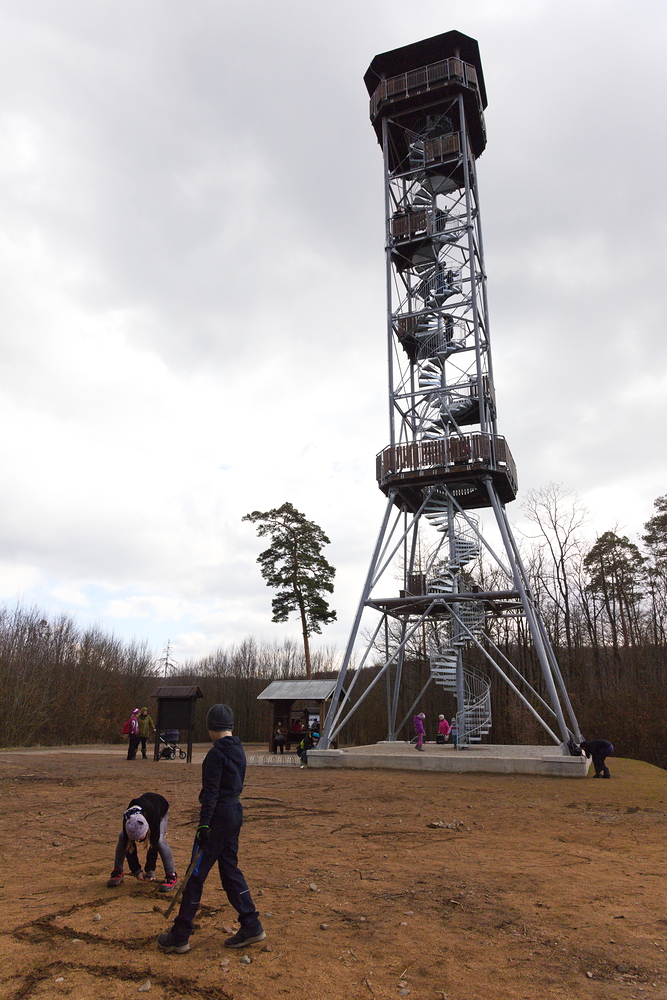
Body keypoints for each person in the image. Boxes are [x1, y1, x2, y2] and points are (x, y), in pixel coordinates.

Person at [157, 703, 265, 954]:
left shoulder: (216, 754)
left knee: (195, 873)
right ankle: (251, 924)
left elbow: (212, 794)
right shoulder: (239, 749)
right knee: (229, 870)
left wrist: (204, 824)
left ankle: (180, 934)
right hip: (234, 813)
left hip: (217, 817)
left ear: (211, 728)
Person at [107, 792, 178, 891]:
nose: (138, 841)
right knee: (122, 837)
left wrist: (150, 870)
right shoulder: (127, 819)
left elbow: (153, 845)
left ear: (147, 830)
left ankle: (171, 876)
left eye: (141, 838)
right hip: (145, 809)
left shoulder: (152, 819)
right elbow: (129, 847)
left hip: (160, 809)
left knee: (160, 841)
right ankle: (117, 871)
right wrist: (136, 871)